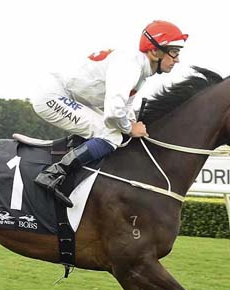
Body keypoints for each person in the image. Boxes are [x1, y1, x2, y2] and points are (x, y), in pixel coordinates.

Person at [32, 20, 189, 207]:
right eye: (174, 52)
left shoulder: (141, 70)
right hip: (53, 95)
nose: (177, 59)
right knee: (111, 135)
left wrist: (131, 123)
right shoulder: (130, 65)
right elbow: (114, 113)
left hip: (73, 97)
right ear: (155, 51)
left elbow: (125, 106)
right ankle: (53, 174)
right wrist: (130, 128)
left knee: (116, 132)